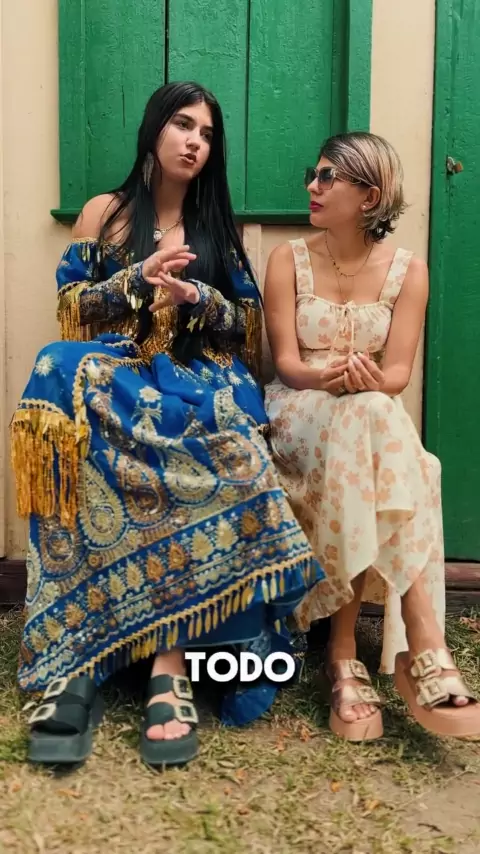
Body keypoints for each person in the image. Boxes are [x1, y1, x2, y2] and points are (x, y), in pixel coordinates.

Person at [10, 81, 324, 768]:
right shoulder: (105, 212)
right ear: (154, 129)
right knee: (57, 370)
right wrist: (137, 279)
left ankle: (171, 663)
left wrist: (196, 296)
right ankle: (76, 654)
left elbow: (244, 329)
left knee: (232, 442)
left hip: (196, 372)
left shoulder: (216, 227)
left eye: (207, 134)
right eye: (183, 125)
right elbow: (72, 307)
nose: (194, 142)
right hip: (121, 366)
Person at [263, 131, 480, 742]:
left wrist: (367, 382)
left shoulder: (409, 271)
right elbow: (287, 363)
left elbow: (397, 373)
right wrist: (328, 377)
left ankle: (344, 651)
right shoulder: (287, 259)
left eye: (327, 177)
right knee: (380, 424)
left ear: (369, 196)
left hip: (365, 417)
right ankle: (421, 642)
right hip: (299, 408)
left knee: (374, 416)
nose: (312, 186)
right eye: (314, 174)